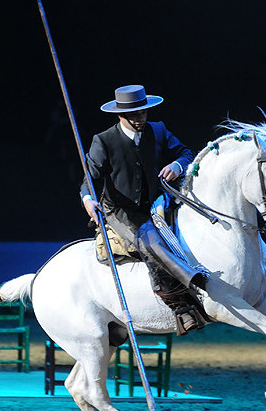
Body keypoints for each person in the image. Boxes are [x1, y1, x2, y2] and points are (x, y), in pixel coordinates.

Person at [80, 84, 209, 333]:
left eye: (143, 113)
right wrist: (87, 199)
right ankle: (180, 304)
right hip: (120, 210)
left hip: (155, 203)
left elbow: (185, 153)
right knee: (149, 241)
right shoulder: (104, 141)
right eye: (134, 115)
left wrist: (177, 165)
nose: (140, 119)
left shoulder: (158, 130)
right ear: (121, 116)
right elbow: (90, 177)